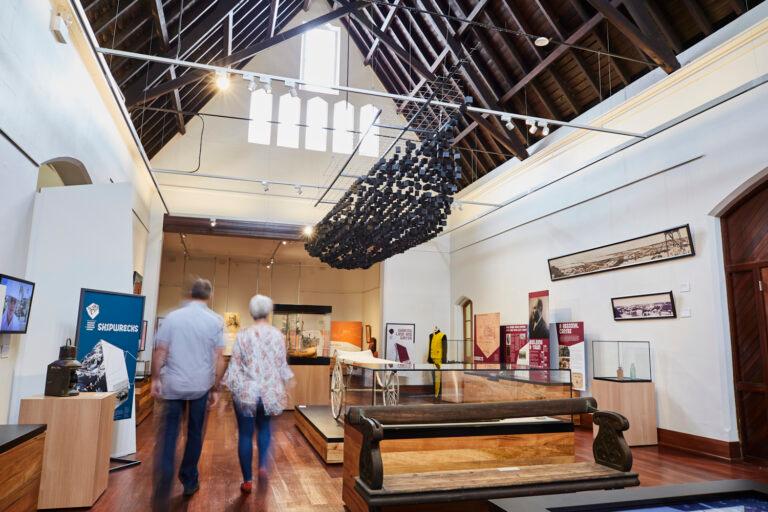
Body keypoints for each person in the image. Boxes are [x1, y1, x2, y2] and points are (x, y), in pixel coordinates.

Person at [151, 278, 226, 507]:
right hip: (200, 387)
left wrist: (155, 378)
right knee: (194, 434)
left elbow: (160, 351)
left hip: (173, 385)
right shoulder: (215, 321)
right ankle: (189, 479)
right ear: (209, 296)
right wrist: (216, 387)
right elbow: (219, 358)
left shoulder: (173, 318)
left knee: (169, 435)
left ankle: (163, 483)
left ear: (189, 293)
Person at [222, 294, 293, 493]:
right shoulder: (277, 336)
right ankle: (262, 465)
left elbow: (234, 367)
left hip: (246, 393)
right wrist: (287, 385)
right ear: (268, 311)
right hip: (268, 393)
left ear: (251, 312)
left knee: (245, 434)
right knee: (264, 429)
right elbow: (281, 366)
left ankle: (247, 481)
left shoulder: (243, 335)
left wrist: (228, 389)